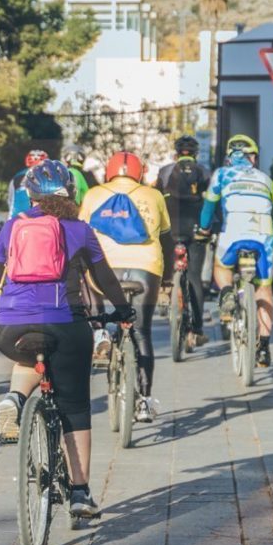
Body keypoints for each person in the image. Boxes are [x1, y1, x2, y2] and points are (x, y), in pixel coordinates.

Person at [0, 159, 133, 519]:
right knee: (75, 406)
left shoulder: (12, 227)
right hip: (65, 323)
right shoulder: (80, 230)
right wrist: (123, 309)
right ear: (71, 192)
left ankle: (15, 396)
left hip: (10, 327)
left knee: (28, 357)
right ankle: (80, 493)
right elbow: (103, 278)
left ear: (30, 195)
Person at [79, 150, 172, 424]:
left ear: (108, 172)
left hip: (104, 271)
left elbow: (82, 235)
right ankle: (144, 401)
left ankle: (100, 333)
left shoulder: (94, 195)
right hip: (146, 271)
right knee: (142, 332)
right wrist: (165, 277)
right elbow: (166, 238)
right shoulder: (153, 195)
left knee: (87, 276)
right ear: (140, 172)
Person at [198, 134, 273, 367]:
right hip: (263, 237)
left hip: (232, 232)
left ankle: (227, 294)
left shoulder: (221, 175)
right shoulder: (265, 179)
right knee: (264, 288)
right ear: (252, 157)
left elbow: (208, 208)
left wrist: (203, 229)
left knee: (221, 267)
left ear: (230, 157)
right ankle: (263, 347)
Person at [155, 135, 212, 346]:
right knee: (195, 276)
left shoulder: (165, 171)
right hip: (195, 229)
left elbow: (155, 199)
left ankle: (166, 296)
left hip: (170, 229)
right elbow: (212, 202)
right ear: (196, 154)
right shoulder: (204, 172)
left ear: (176, 154)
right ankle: (196, 329)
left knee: (168, 269)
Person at [6, 149, 49, 218]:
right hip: (36, 217)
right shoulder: (46, 176)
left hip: (15, 218)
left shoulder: (16, 177)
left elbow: (10, 200)